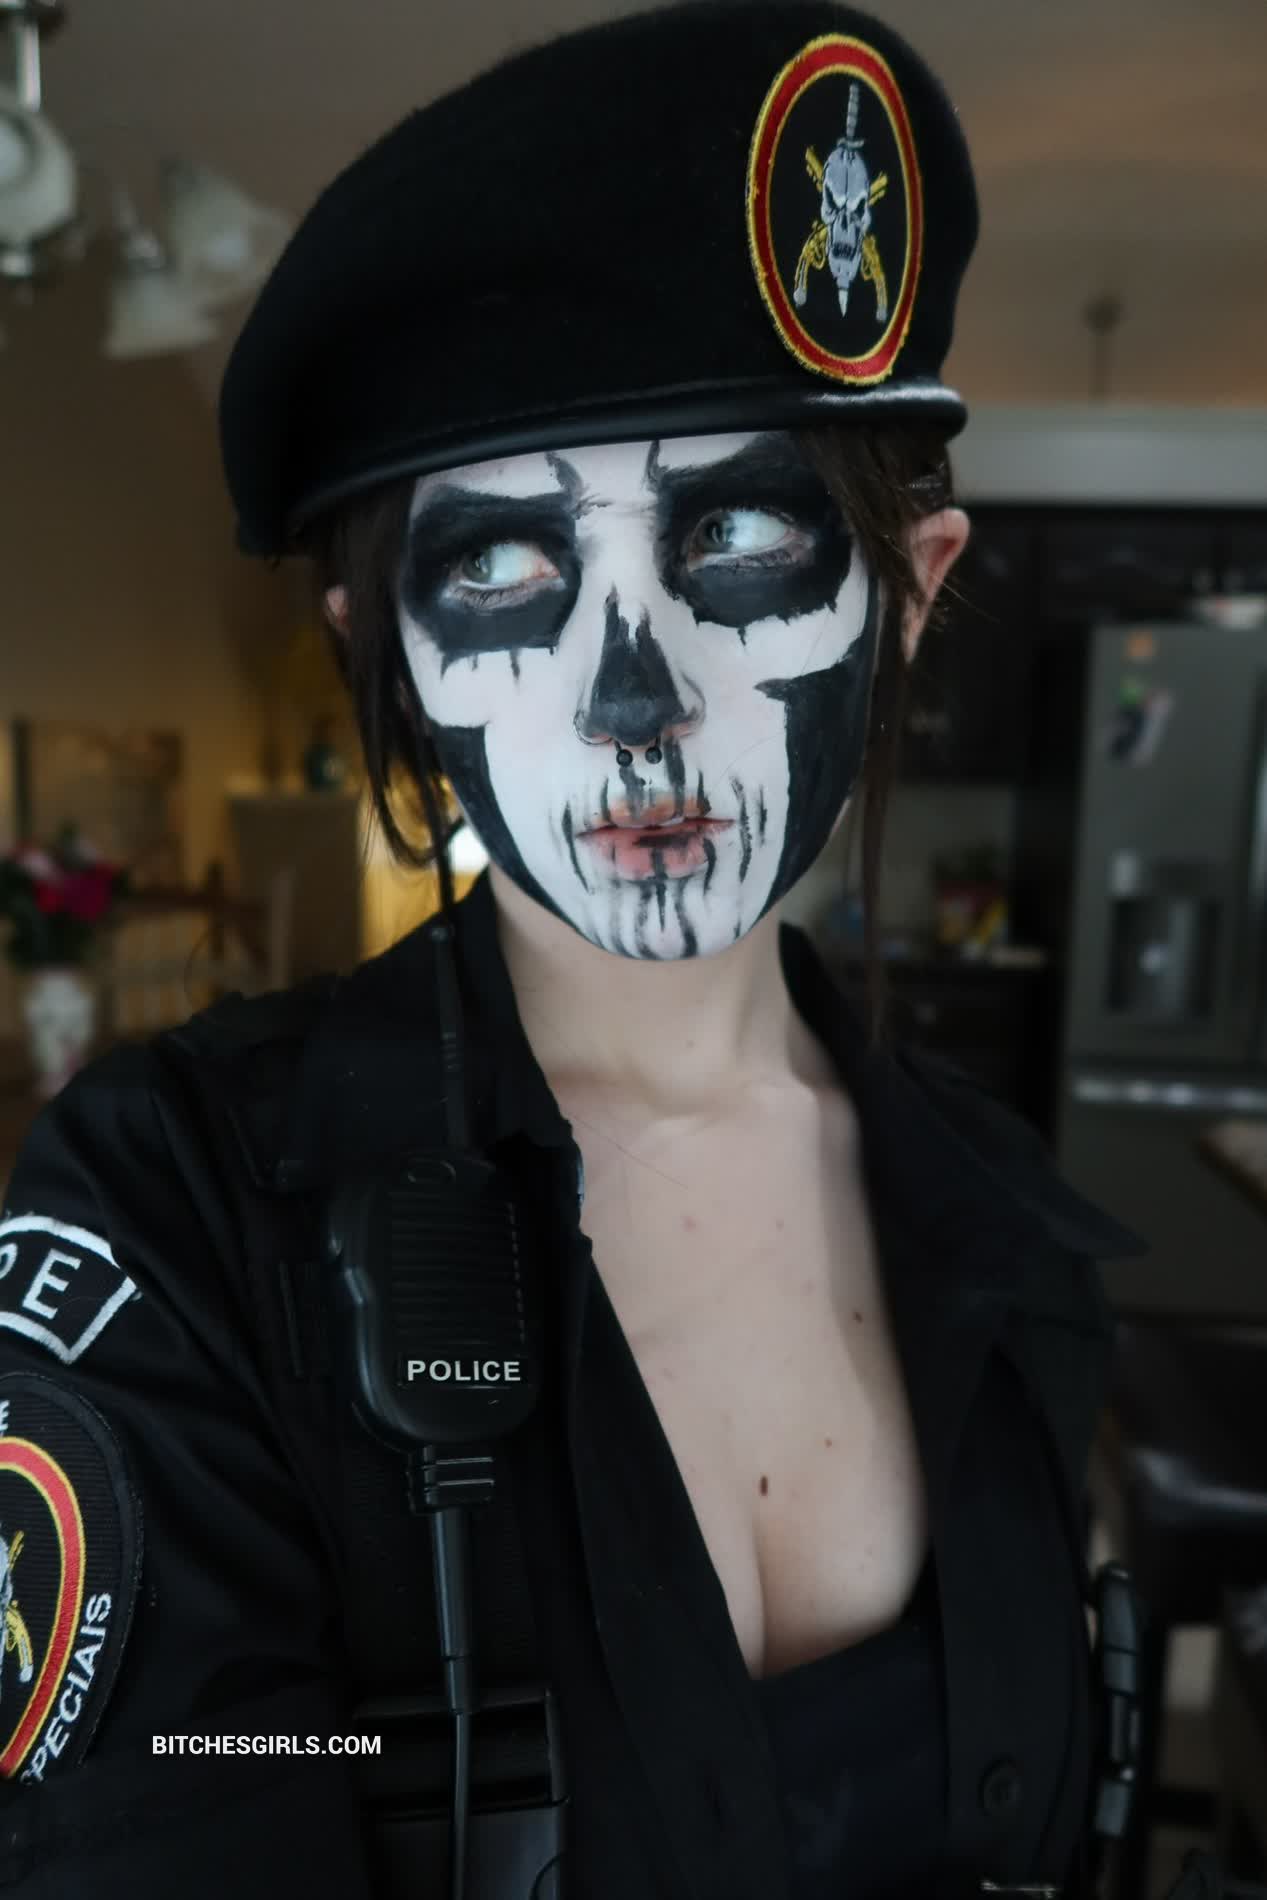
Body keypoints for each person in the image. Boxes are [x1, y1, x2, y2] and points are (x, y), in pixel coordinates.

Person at [0, 4, 1153, 1897]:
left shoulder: (1008, 1227)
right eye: (503, 569)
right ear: (387, 644)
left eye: (741, 537)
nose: (636, 702)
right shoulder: (179, 1217)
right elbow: (186, 1781)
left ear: (913, 593)